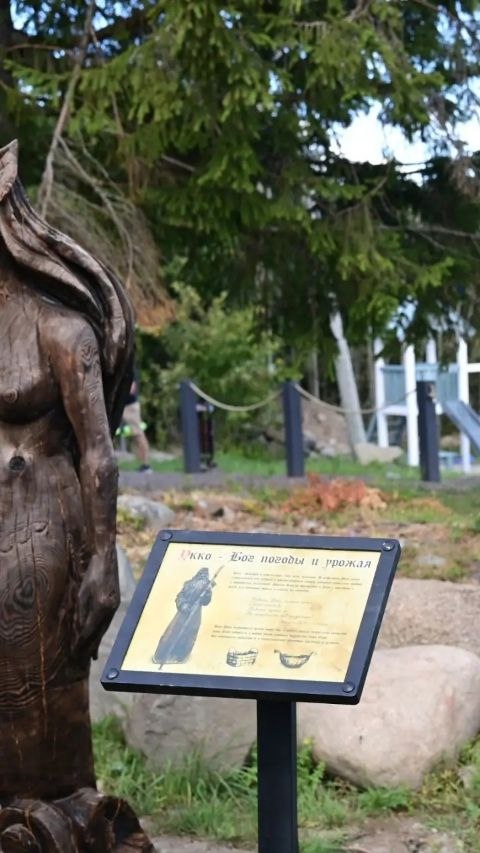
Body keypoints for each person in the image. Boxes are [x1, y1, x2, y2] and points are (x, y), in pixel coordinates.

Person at [0, 141, 150, 848]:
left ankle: (54, 816)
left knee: (39, 691)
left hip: (44, 535)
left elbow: (99, 453)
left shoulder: (63, 329)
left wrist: (103, 558)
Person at [121, 362, 152, 472]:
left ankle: (146, 464)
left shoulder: (128, 368)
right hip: (121, 405)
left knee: (138, 434)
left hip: (129, 406)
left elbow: (131, 389)